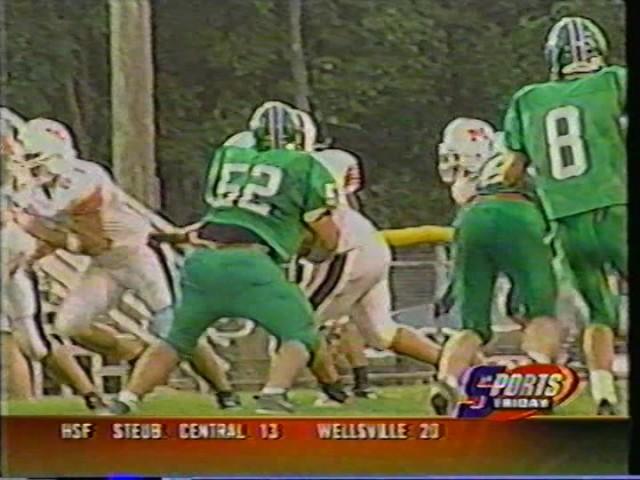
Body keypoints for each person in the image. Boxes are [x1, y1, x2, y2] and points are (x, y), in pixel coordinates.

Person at [107, 101, 345, 415]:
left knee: (177, 339)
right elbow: (325, 232)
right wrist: (320, 252)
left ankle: (126, 399)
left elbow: (225, 216)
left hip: (202, 263)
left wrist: (177, 236)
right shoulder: (306, 166)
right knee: (299, 332)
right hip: (251, 264)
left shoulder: (230, 157)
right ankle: (274, 394)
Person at [502, 16, 627, 415]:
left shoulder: (527, 99)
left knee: (598, 311)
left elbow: (510, 170)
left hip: (564, 218)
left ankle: (604, 392)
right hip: (615, 208)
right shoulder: (613, 80)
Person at [429, 119, 561, 416]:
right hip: (520, 213)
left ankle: (447, 381)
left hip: (473, 215)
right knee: (541, 315)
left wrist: (452, 285)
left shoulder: (484, 161)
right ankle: (536, 382)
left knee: (471, 326)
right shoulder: (534, 148)